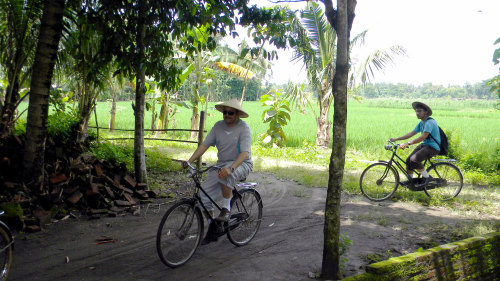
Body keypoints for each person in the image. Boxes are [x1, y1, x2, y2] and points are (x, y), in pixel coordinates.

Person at [183, 98, 253, 224]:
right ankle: (213, 226)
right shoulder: (218, 126)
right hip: (222, 165)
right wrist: (189, 161)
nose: (227, 115)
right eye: (225, 112)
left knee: (225, 174)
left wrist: (231, 168)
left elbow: (244, 154)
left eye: (231, 113)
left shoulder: (244, 128)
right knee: (202, 196)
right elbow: (204, 145)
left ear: (237, 114)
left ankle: (226, 209)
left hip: (242, 164)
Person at [389, 101, 440, 187]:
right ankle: (411, 181)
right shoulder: (422, 123)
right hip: (425, 145)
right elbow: (411, 133)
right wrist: (396, 139)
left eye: (420, 111)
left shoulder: (429, 122)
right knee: (409, 161)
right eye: (416, 111)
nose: (417, 113)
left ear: (426, 112)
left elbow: (422, 137)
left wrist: (407, 143)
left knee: (414, 160)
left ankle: (427, 178)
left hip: (433, 147)